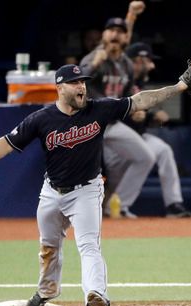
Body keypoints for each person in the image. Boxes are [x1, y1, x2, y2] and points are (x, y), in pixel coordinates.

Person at [0, 62, 191, 306]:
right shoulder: (41, 119)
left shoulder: (99, 109)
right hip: (51, 192)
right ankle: (45, 292)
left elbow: (139, 101)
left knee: (89, 246)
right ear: (60, 88)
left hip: (87, 192)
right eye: (75, 83)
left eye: (83, 82)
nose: (82, 86)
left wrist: (181, 85)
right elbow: (7, 142)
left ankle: (96, 295)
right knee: (48, 247)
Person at [80, 17, 154, 218]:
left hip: (111, 124)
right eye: (110, 29)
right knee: (79, 170)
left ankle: (117, 205)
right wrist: (94, 65)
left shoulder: (127, 64)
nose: (115, 33)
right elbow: (76, 84)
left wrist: (135, 108)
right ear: (104, 35)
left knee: (145, 157)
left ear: (125, 38)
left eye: (120, 31)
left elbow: (129, 92)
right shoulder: (93, 58)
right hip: (87, 125)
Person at [124, 41, 191, 217]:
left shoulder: (137, 82)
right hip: (113, 138)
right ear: (138, 60)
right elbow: (115, 109)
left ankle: (173, 204)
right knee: (145, 156)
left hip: (136, 136)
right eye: (149, 61)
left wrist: (150, 119)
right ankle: (120, 207)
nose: (152, 65)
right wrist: (148, 116)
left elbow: (137, 116)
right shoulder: (123, 79)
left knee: (163, 150)